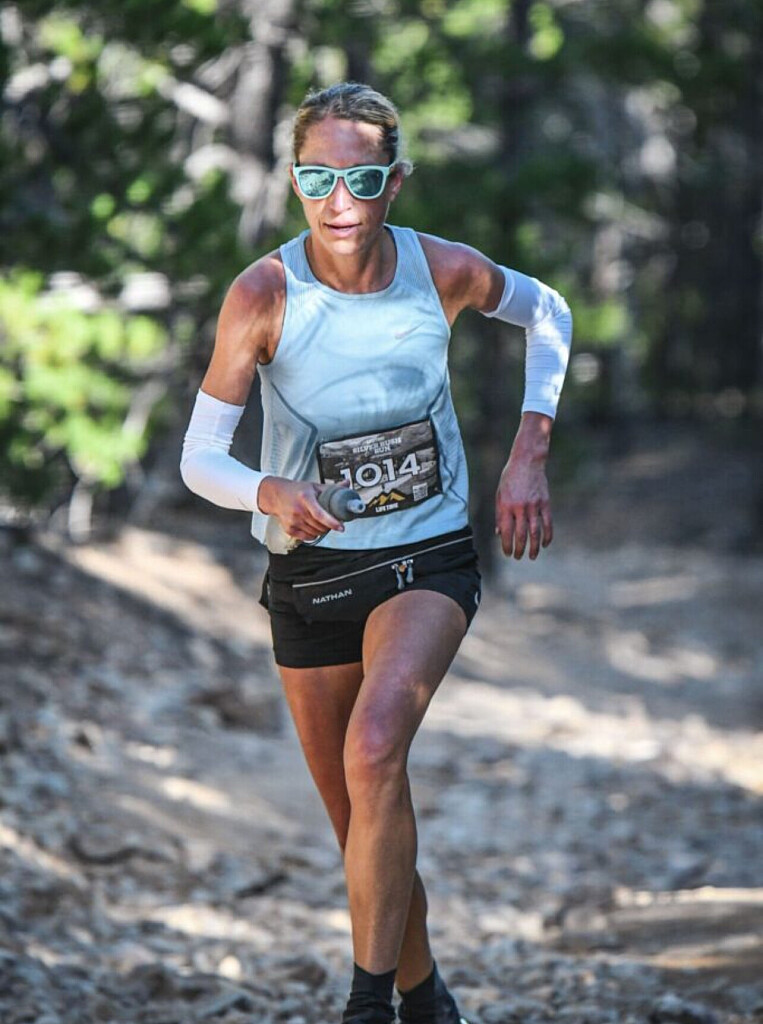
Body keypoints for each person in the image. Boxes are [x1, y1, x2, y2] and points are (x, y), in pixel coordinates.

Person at [180, 81, 572, 1024]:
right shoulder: (264, 294)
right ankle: (422, 995)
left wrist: (529, 450)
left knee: (374, 746)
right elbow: (199, 457)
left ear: (394, 182)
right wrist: (267, 490)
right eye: (317, 177)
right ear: (294, 181)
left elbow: (549, 313)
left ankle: (365, 1008)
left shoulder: (441, 271)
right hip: (308, 575)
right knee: (361, 812)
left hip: (424, 557)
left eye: (361, 178)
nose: (339, 200)